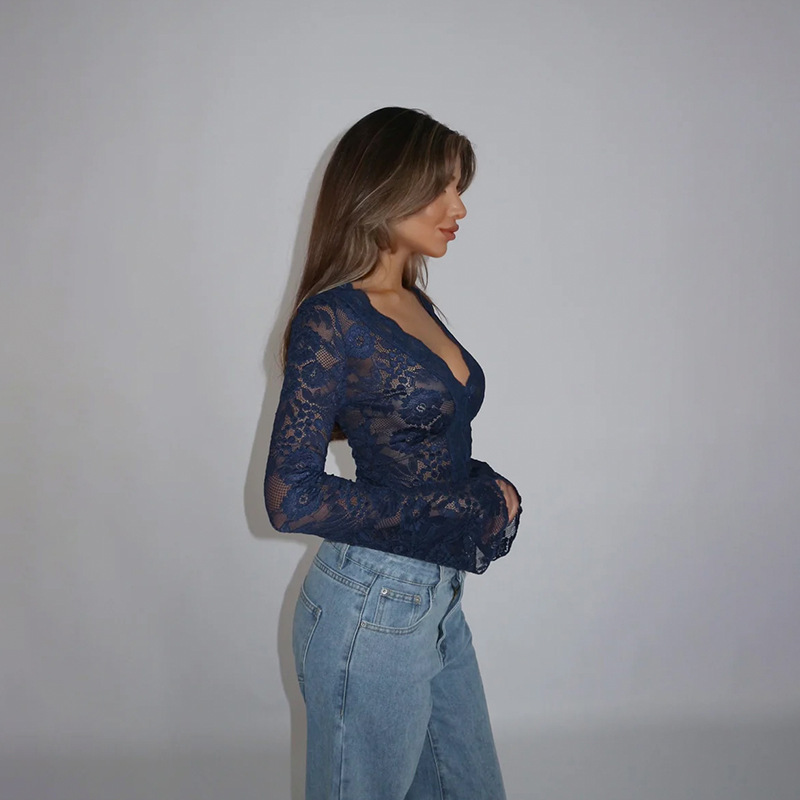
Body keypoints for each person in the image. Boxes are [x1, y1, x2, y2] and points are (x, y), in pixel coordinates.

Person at [264, 106, 522, 800]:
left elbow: (420, 447)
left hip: (436, 604)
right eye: (441, 187)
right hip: (372, 610)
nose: (457, 207)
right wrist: (460, 504)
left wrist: (485, 486)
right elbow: (291, 497)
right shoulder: (331, 318)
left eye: (460, 187)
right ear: (383, 187)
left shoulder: (414, 302)